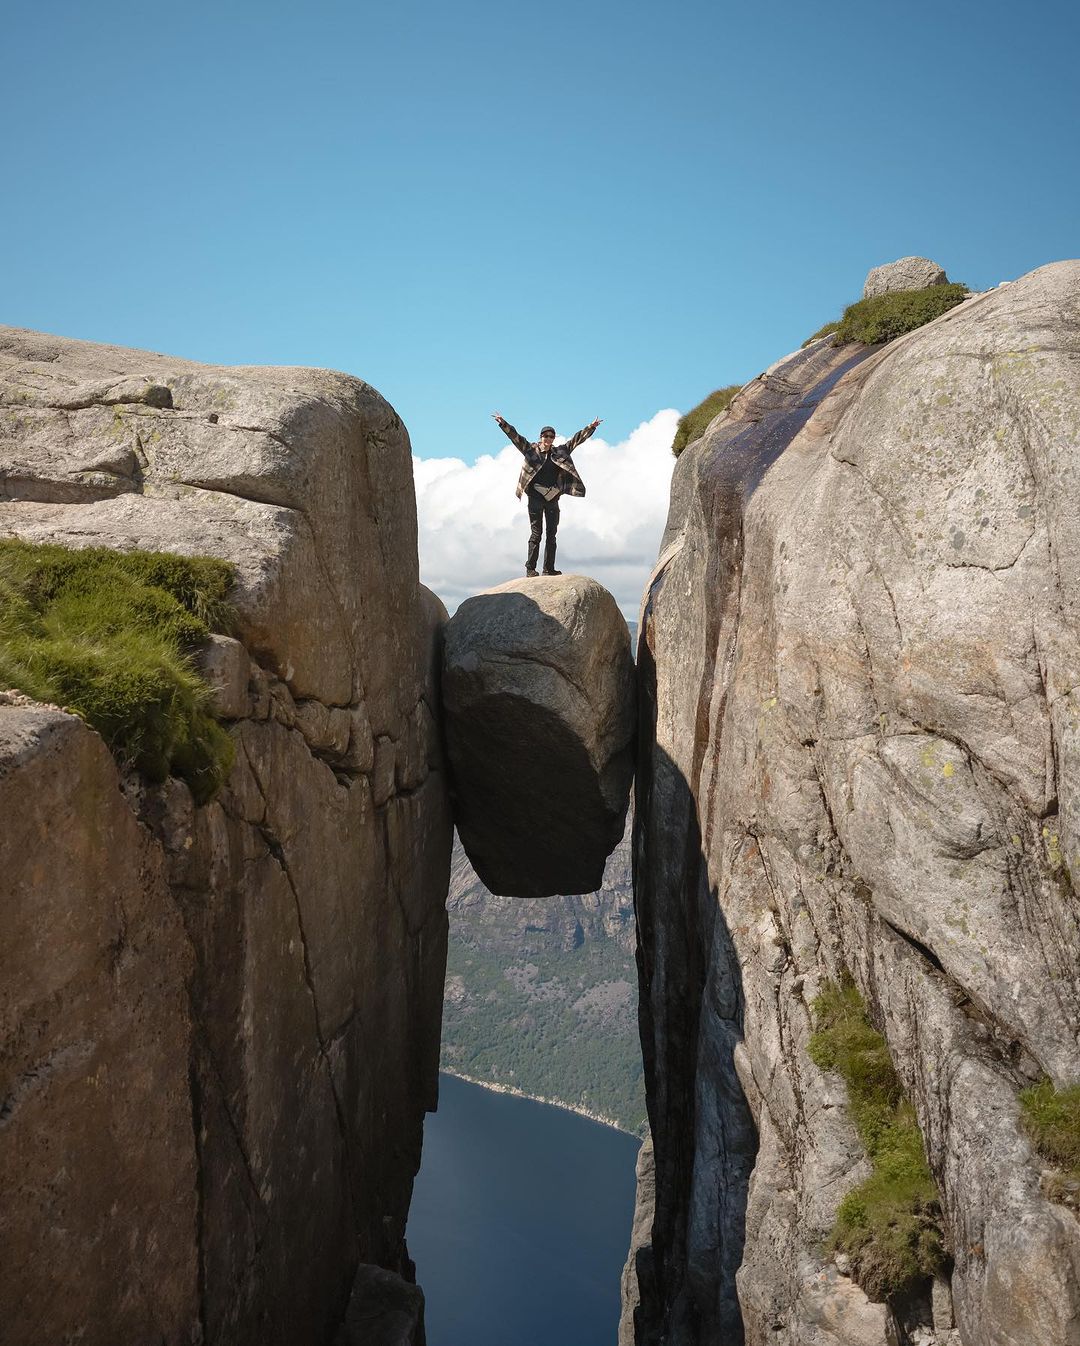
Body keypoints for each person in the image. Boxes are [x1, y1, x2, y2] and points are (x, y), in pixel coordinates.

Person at [492, 412, 602, 576]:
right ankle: (530, 568)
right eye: (545, 436)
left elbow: (576, 440)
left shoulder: (560, 452)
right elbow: (515, 437)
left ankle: (548, 569)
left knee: (552, 534)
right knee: (537, 533)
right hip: (535, 497)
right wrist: (503, 423)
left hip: (552, 498)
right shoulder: (531, 450)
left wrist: (591, 428)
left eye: (551, 436)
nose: (548, 439)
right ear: (540, 437)